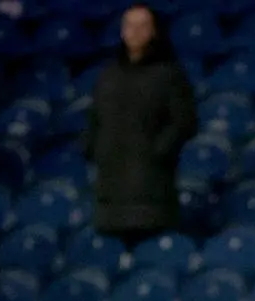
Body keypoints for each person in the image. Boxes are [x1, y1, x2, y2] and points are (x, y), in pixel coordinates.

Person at [84, 4, 196, 245]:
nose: (134, 32)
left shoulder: (169, 74)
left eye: (141, 26)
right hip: (110, 192)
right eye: (129, 26)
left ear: (154, 31)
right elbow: (95, 119)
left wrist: (157, 152)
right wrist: (94, 149)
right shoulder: (108, 75)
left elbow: (184, 122)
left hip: (151, 192)